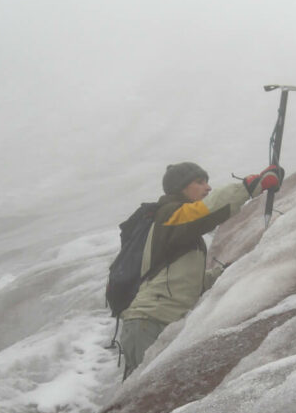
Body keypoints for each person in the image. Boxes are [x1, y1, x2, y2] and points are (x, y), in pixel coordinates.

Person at [119, 160, 283, 377]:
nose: (208, 187)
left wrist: (222, 274)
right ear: (181, 187)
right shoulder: (169, 215)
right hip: (149, 325)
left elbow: (185, 283)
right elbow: (206, 210)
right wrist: (249, 187)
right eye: (199, 182)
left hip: (155, 324)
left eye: (207, 182)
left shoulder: (180, 230)